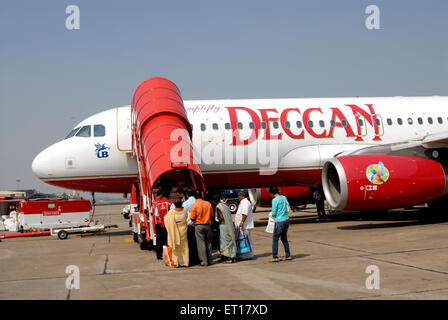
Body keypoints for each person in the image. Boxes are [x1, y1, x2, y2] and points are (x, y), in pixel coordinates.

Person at [190, 192, 214, 266]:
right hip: (208, 225)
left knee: (201, 244)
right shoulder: (208, 204)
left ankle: (204, 261)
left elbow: (192, 218)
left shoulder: (194, 205)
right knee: (209, 243)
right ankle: (210, 260)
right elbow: (212, 215)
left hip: (199, 226)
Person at [268, 186, 292, 262]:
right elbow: (288, 206)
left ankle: (275, 256)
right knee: (284, 238)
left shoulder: (274, 200)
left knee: (275, 239)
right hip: (286, 219)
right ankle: (288, 255)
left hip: (279, 221)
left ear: (272, 193)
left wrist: (271, 215)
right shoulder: (284, 197)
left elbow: (274, 212)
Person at [211, 193, 237, 263]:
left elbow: (221, 217)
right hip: (230, 226)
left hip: (224, 227)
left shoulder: (218, 207)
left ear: (214, 201)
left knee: (225, 243)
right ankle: (232, 257)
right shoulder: (225, 205)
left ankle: (229, 259)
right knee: (230, 241)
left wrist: (218, 223)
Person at [164, 198, 189, 267]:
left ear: (174, 204)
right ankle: (185, 262)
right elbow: (187, 218)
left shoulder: (171, 212)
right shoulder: (185, 210)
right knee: (184, 246)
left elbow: (166, 220)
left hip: (174, 231)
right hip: (183, 229)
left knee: (175, 246)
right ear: (181, 203)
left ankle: (176, 263)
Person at [234, 191, 254, 260]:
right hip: (243, 226)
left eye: (238, 196)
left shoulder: (245, 203)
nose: (238, 198)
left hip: (245, 226)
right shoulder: (243, 202)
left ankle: (248, 255)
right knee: (243, 240)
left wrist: (242, 222)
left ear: (241, 196)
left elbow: (244, 214)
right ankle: (244, 254)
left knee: (246, 240)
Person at [153, 189, 173, 260]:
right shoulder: (170, 203)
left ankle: (159, 255)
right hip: (167, 224)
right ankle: (167, 254)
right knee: (167, 240)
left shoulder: (157, 204)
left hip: (159, 224)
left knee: (159, 240)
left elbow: (156, 214)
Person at [182, 189, 200, 266]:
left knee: (190, 244)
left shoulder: (185, 204)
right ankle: (198, 259)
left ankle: (191, 260)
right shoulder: (198, 202)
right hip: (198, 224)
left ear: (187, 195)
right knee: (197, 243)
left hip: (189, 226)